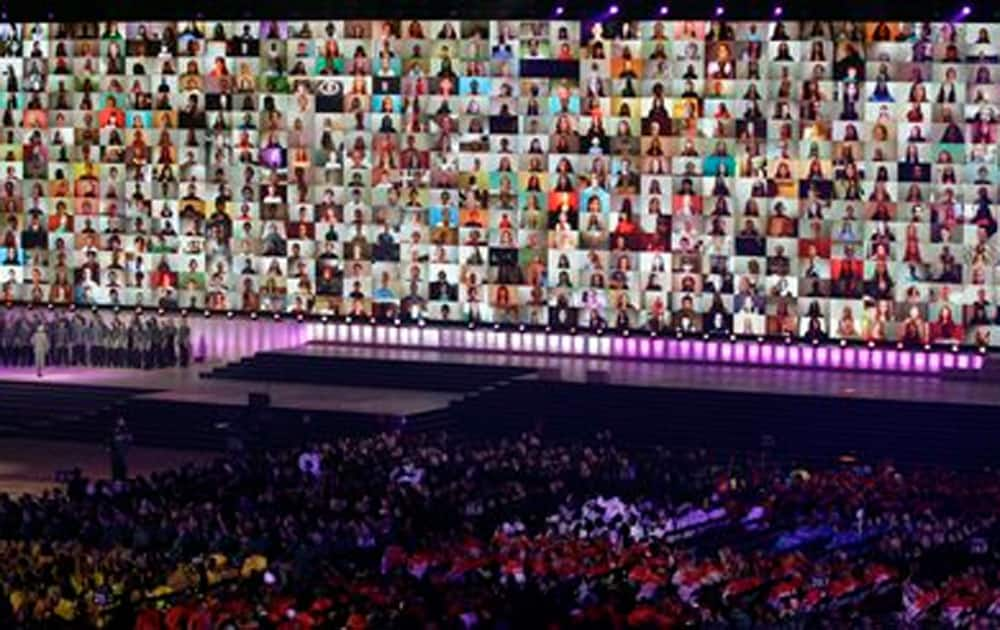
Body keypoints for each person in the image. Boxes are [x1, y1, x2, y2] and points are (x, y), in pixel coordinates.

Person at [109, 417, 132, 482]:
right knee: (115, 465)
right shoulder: (113, 430)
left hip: (123, 451)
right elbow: (111, 439)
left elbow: (130, 439)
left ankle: (123, 478)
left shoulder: (126, 430)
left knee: (123, 465)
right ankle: (115, 478)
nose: (121, 422)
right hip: (115, 451)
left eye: (122, 421)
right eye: (120, 421)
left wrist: (125, 439)